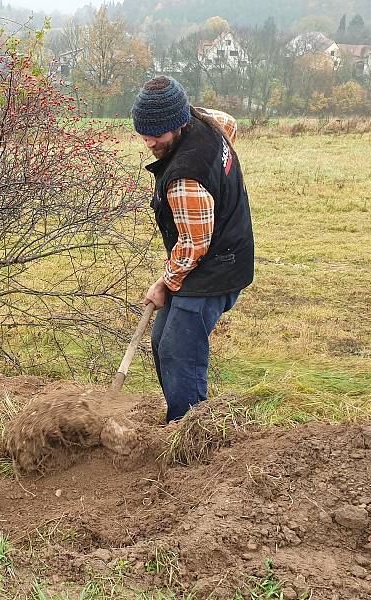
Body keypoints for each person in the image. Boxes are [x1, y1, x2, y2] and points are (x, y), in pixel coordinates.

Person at [132, 76, 254, 423]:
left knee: (178, 349)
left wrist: (163, 283)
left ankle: (190, 429)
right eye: (144, 132)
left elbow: (193, 244)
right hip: (212, 255)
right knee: (161, 338)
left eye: (157, 134)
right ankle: (182, 415)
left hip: (218, 265)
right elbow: (230, 124)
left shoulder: (185, 178)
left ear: (179, 123)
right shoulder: (209, 121)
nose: (148, 141)